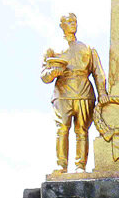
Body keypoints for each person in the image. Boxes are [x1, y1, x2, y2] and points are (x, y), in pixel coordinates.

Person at [41, 12, 107, 173]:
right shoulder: (52, 49)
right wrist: (52, 73)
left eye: (74, 21)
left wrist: (102, 93)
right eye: (68, 21)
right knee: (62, 128)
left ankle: (80, 165)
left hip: (84, 91)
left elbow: (98, 72)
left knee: (82, 130)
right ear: (61, 25)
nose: (72, 24)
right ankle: (61, 165)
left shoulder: (88, 48)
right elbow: (44, 75)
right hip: (62, 92)